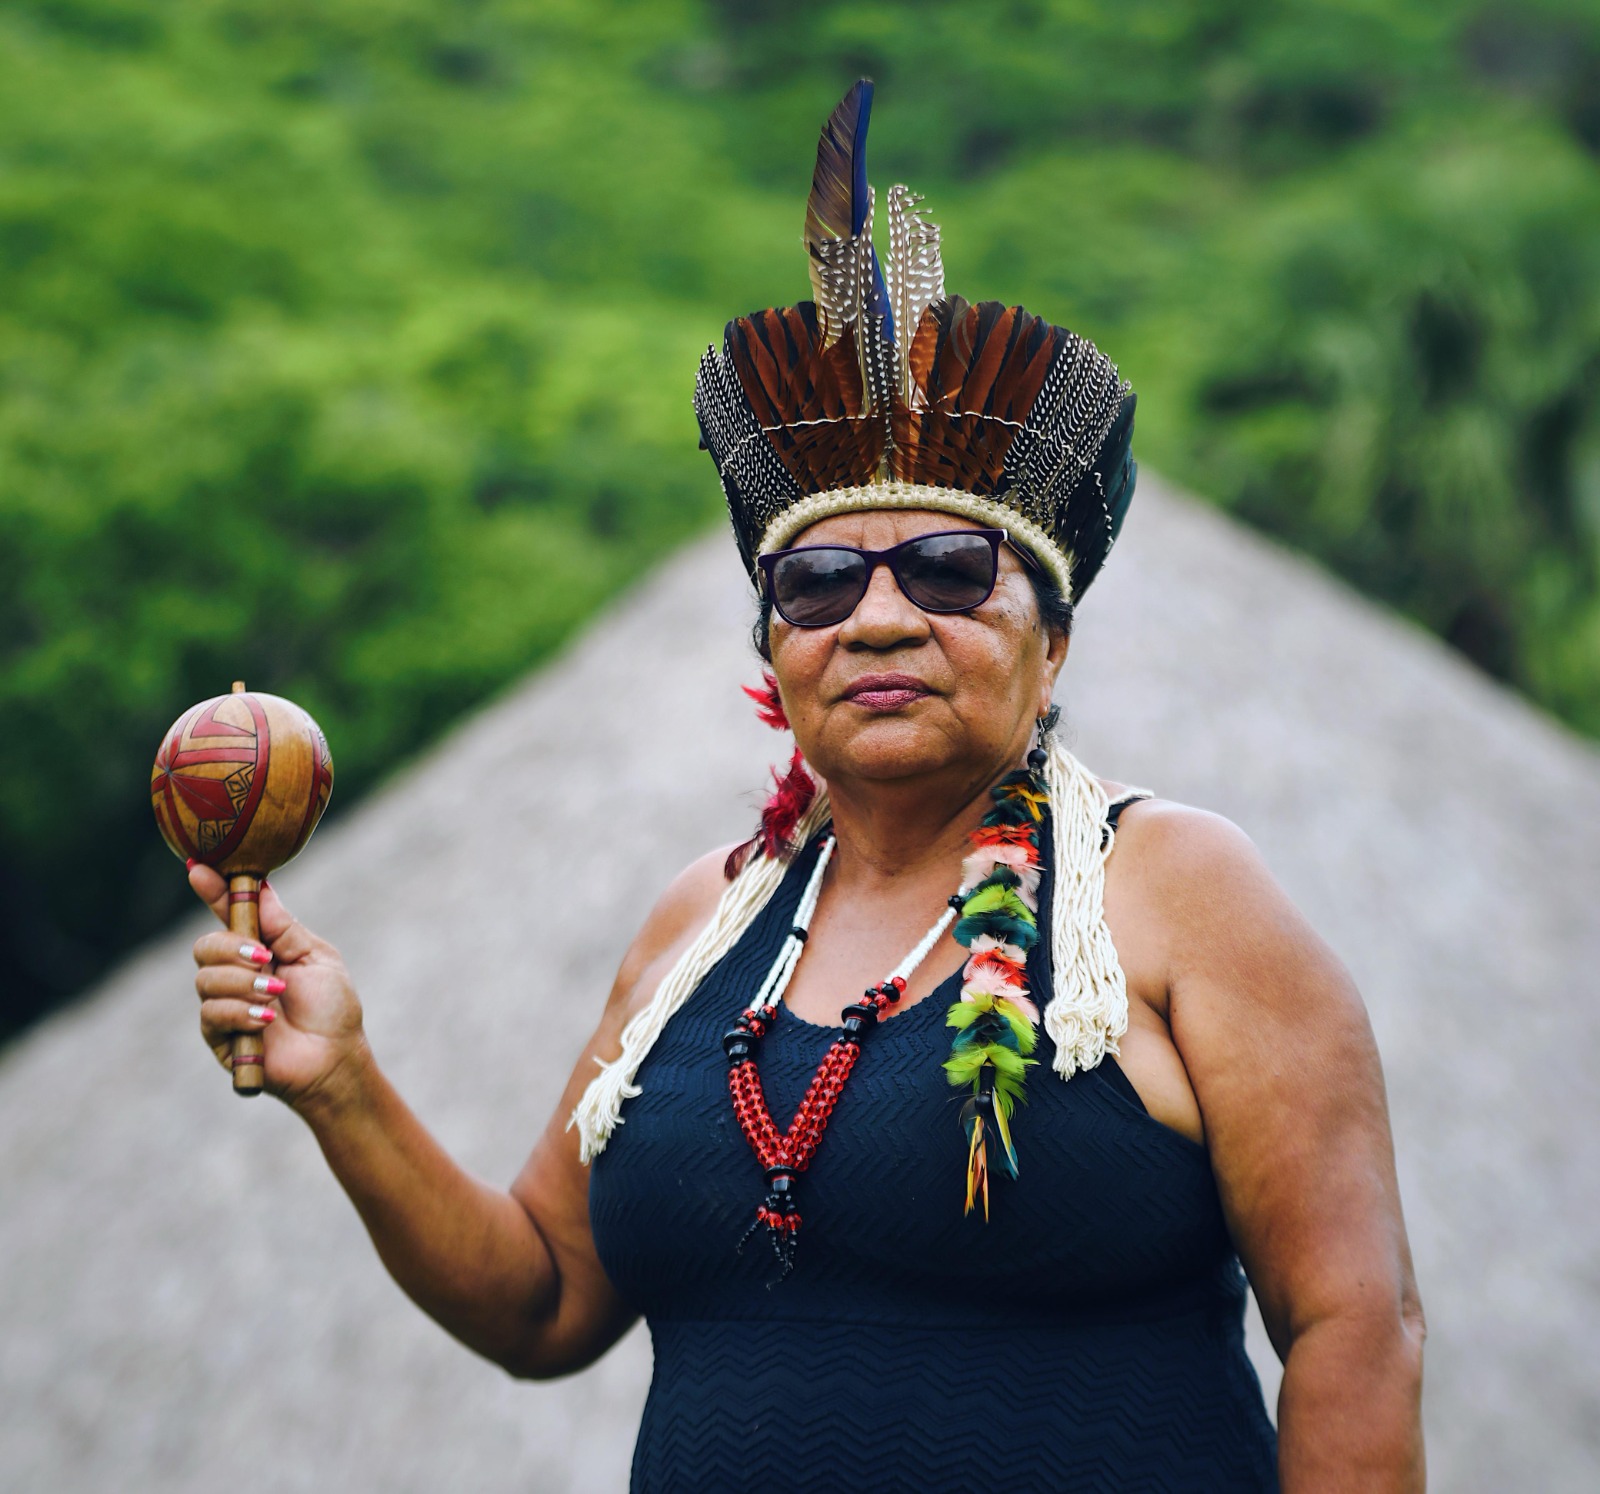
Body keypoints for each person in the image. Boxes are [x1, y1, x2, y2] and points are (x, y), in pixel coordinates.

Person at [189, 82, 1424, 1492]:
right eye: (820, 581)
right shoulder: (702, 924)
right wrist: (339, 1083)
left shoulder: (1177, 894)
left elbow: (1354, 1324)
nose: (881, 618)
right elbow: (538, 1299)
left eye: (953, 571)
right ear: (774, 648)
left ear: (1055, 634)